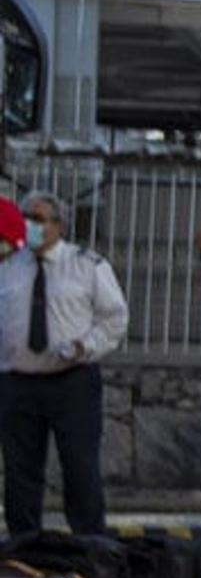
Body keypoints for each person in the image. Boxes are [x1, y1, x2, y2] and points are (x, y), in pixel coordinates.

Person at [0, 191, 130, 538]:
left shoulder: (87, 265)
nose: (31, 226)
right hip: (18, 381)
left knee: (79, 466)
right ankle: (24, 542)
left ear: (60, 225)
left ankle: (89, 540)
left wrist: (84, 346)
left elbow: (114, 319)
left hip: (71, 380)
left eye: (39, 219)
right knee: (20, 470)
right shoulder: (8, 266)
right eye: (26, 217)